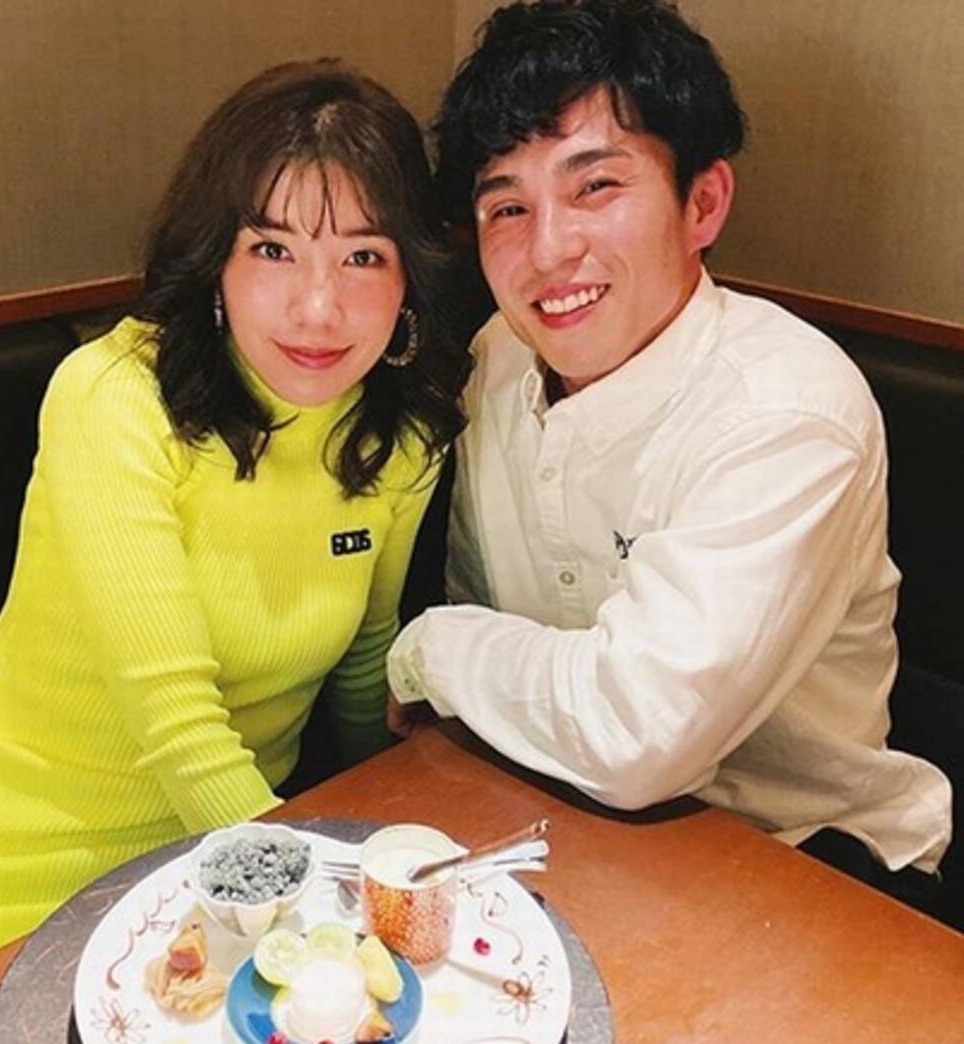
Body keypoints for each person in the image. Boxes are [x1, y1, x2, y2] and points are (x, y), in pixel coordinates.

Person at [0, 60, 464, 1019]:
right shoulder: (115, 397)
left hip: (215, 897)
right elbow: (179, 724)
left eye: (363, 257)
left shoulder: (400, 439)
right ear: (217, 263)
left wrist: (375, 847)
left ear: (410, 275)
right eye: (273, 249)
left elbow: (359, 671)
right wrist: (325, 910)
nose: (318, 307)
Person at [387, 0, 951, 902]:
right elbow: (481, 594)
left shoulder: (784, 409)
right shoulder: (499, 357)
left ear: (703, 204)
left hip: (804, 856)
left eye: (595, 188)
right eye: (508, 206)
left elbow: (637, 735)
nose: (548, 250)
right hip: (558, 814)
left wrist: (427, 652)